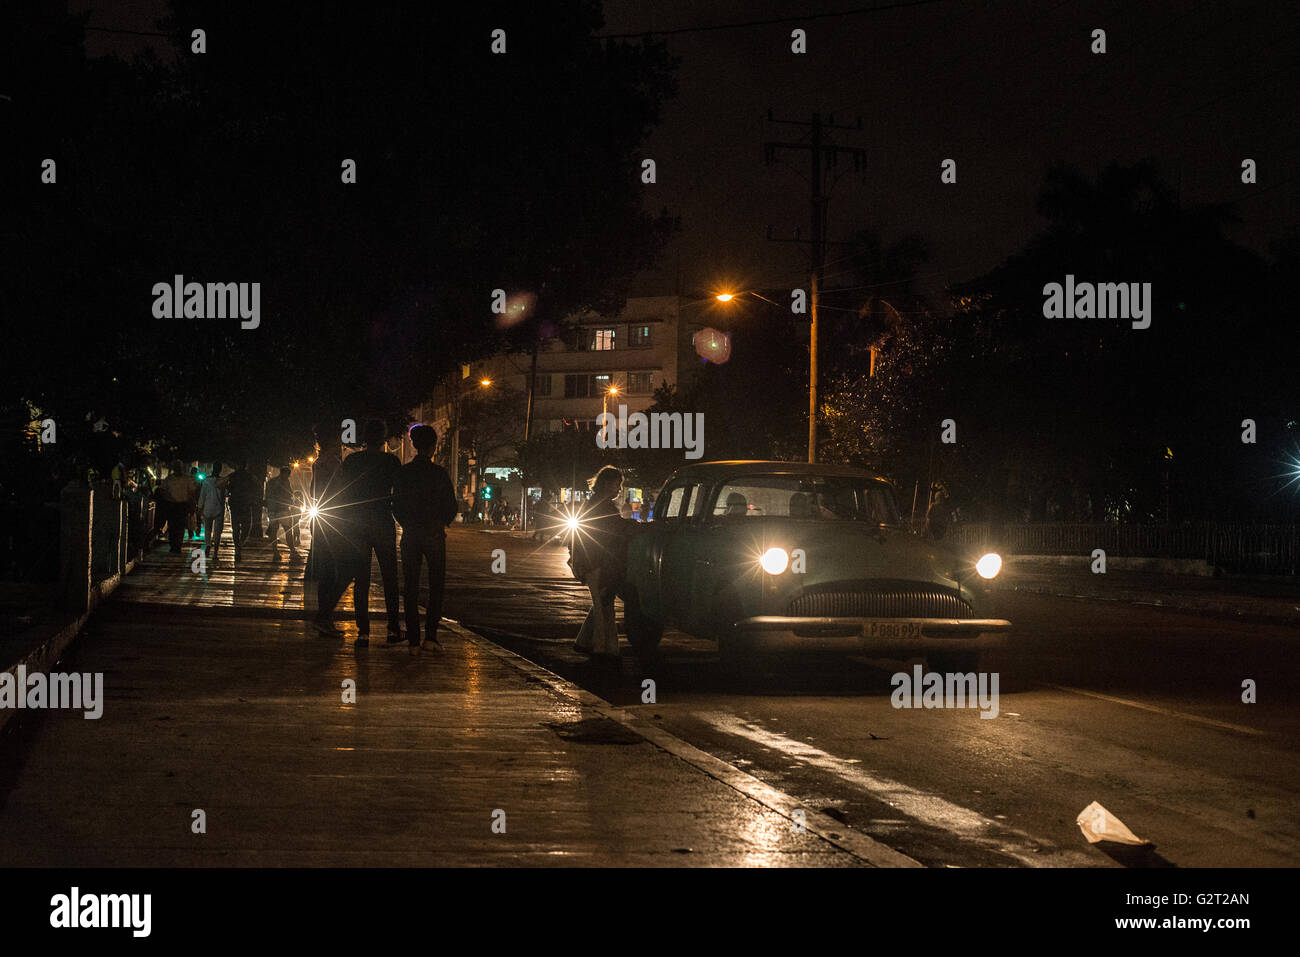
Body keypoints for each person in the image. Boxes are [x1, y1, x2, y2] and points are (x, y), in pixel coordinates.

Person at [334, 420, 402, 647]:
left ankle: (363, 632)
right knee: (389, 577)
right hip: (382, 521)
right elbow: (399, 493)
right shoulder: (391, 462)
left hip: (357, 524)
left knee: (361, 578)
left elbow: (343, 493)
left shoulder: (352, 461)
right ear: (383, 438)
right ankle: (393, 629)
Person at [391, 425, 458, 653]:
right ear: (433, 447)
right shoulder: (439, 474)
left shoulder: (403, 473)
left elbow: (396, 504)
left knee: (410, 586)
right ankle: (430, 637)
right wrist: (441, 522)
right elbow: (451, 505)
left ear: (414, 445)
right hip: (434, 533)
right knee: (435, 585)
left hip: (411, 533)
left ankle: (412, 640)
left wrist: (406, 523)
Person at [569, 466, 632, 664]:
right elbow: (617, 529)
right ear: (607, 483)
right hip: (598, 561)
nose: (619, 489)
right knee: (603, 605)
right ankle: (602, 647)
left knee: (602, 602)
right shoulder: (603, 506)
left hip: (594, 561)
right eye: (617, 484)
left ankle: (594, 644)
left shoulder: (595, 503)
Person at [309, 428, 345, 633]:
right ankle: (324, 616)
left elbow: (313, 490)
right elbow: (342, 490)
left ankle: (324, 616)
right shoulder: (333, 464)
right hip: (335, 520)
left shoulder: (317, 463)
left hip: (321, 517)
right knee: (336, 569)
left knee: (326, 569)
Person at [226, 461, 261, 561]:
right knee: (245, 528)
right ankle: (238, 546)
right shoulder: (249, 476)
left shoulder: (234, 475)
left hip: (237, 505)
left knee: (237, 528)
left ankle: (238, 546)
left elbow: (224, 485)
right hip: (244, 505)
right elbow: (258, 486)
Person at [265, 465, 299, 558]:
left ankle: (275, 552)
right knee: (288, 530)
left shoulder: (271, 482)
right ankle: (292, 551)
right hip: (282, 509)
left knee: (274, 532)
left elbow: (267, 495)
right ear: (285, 473)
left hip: (272, 510)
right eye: (288, 475)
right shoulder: (284, 482)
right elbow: (288, 494)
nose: (288, 477)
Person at [158, 462, 193, 554]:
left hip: (182, 505)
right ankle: (173, 545)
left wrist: (190, 503)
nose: (178, 469)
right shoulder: (169, 479)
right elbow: (162, 490)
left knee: (180, 526)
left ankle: (178, 545)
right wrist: (168, 498)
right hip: (172, 505)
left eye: (179, 467)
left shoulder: (186, 479)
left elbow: (191, 492)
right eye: (177, 467)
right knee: (172, 526)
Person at [197, 462, 227, 561]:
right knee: (217, 531)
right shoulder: (222, 481)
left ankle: (208, 545)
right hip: (219, 509)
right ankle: (215, 553)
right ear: (220, 470)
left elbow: (202, 496)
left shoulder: (206, 481)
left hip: (207, 509)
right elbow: (225, 495)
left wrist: (200, 507)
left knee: (207, 529)